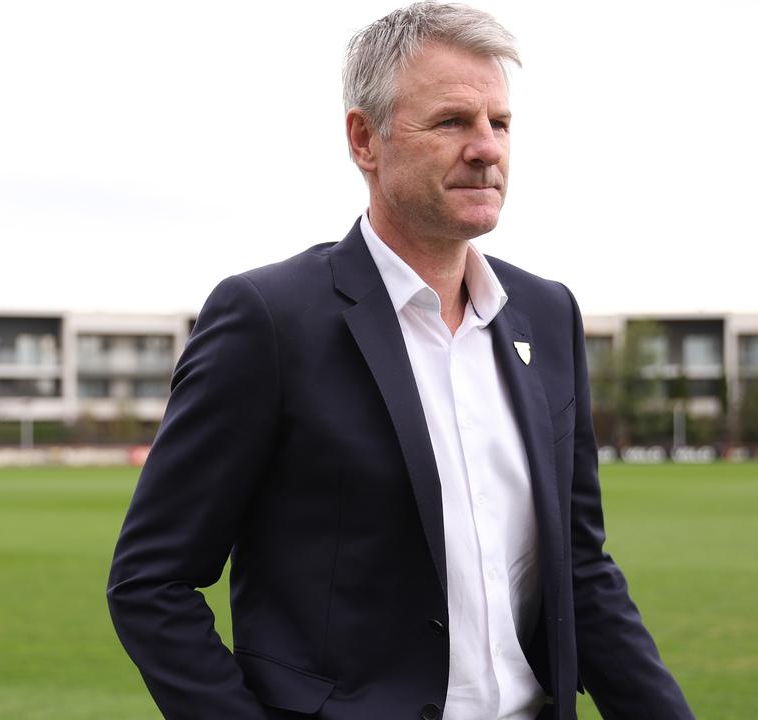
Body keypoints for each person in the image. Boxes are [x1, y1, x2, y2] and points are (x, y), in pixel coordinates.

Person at [106, 3, 695, 719]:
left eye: (500, 123)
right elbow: (150, 580)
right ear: (365, 139)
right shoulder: (268, 320)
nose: (486, 148)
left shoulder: (547, 314)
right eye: (452, 122)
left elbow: (581, 569)